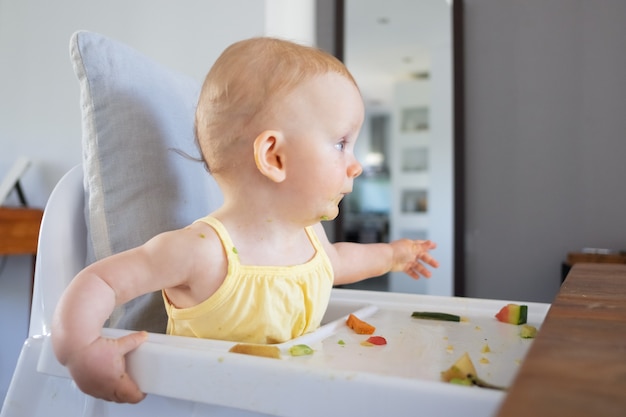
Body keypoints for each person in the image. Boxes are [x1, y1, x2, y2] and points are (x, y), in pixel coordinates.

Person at [51, 37, 439, 404]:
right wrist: (80, 350)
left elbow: (342, 260)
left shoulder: (311, 239)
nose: (355, 165)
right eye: (341, 143)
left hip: (291, 398)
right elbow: (101, 281)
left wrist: (392, 255)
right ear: (274, 157)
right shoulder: (202, 251)